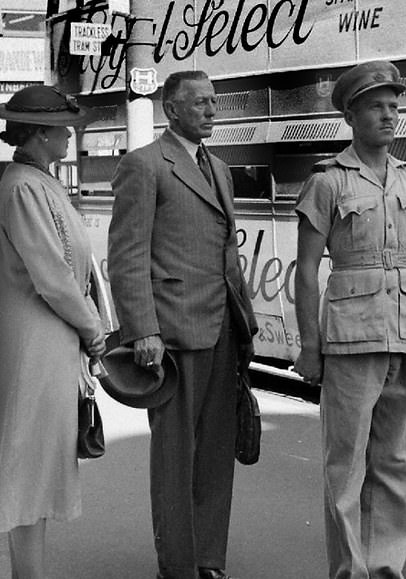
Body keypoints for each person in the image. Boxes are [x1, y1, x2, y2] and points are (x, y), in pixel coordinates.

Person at [293, 60, 406, 579]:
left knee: (401, 463)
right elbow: (307, 271)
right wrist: (309, 347)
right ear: (351, 115)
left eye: (394, 106)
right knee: (347, 465)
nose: (389, 114)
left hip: (405, 336)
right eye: (377, 106)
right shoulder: (328, 183)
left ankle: (386, 569)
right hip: (351, 337)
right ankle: (350, 572)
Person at [108, 70, 257, 579]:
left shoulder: (219, 167)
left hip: (222, 330)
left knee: (216, 454)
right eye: (200, 102)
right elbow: (127, 256)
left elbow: (227, 256)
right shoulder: (144, 165)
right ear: (171, 109)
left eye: (214, 101)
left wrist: (247, 323)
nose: (213, 110)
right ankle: (177, 566)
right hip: (172, 333)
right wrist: (141, 329)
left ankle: (208, 560)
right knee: (175, 459)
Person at [0, 85, 107, 579]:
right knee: (29, 464)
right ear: (38, 133)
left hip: (47, 341)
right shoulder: (27, 186)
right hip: (36, 341)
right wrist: (93, 329)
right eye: (61, 128)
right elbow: (52, 274)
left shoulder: (37, 181)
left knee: (37, 464)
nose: (69, 135)